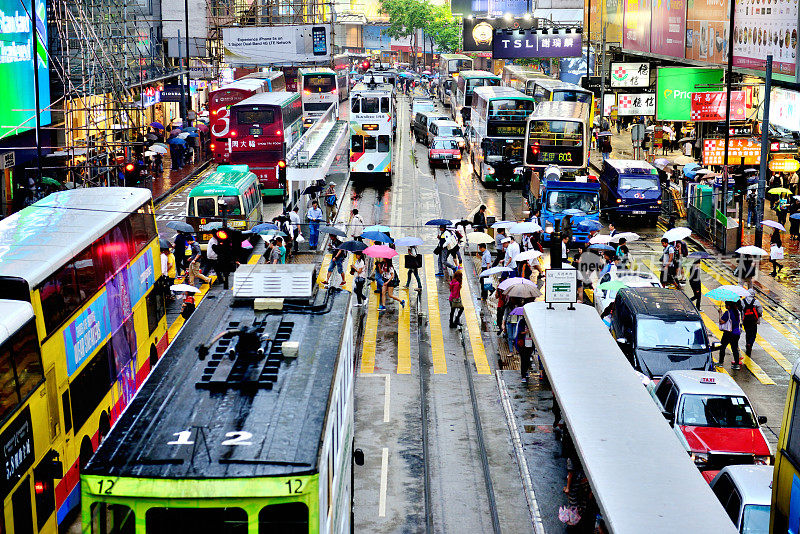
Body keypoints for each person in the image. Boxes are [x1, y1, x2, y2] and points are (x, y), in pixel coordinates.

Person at [718, 300, 742, 369]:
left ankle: (720, 362)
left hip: (728, 333)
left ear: (729, 306)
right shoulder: (737, 312)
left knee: (723, 347)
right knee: (735, 348)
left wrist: (720, 314)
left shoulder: (727, 313)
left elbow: (722, 321)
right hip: (737, 333)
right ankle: (736, 364)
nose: (725, 306)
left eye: (726, 305)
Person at [741, 289, 763, 357]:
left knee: (747, 333)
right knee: (753, 333)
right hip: (753, 321)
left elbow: (740, 309)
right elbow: (760, 311)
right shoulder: (756, 302)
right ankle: (750, 343)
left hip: (745, 320)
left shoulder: (742, 301)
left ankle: (747, 343)